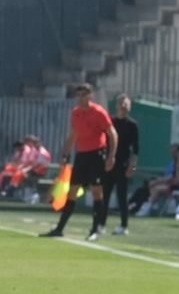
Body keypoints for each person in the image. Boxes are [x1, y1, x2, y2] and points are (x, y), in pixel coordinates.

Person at [43, 82, 118, 240]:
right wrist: (66, 153)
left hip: (97, 154)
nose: (80, 98)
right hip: (82, 155)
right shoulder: (76, 112)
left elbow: (112, 134)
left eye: (84, 94)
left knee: (97, 191)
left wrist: (111, 155)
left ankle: (95, 229)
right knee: (72, 191)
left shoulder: (98, 112)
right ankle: (60, 228)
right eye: (78, 95)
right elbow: (74, 134)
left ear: (90, 95)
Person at [101, 94, 140, 236]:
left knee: (122, 196)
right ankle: (101, 224)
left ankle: (124, 225)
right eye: (121, 104)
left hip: (123, 163)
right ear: (117, 105)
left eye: (126, 104)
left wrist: (133, 166)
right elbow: (105, 143)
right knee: (105, 194)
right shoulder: (110, 122)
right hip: (110, 162)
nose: (123, 107)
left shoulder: (132, 125)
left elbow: (136, 148)